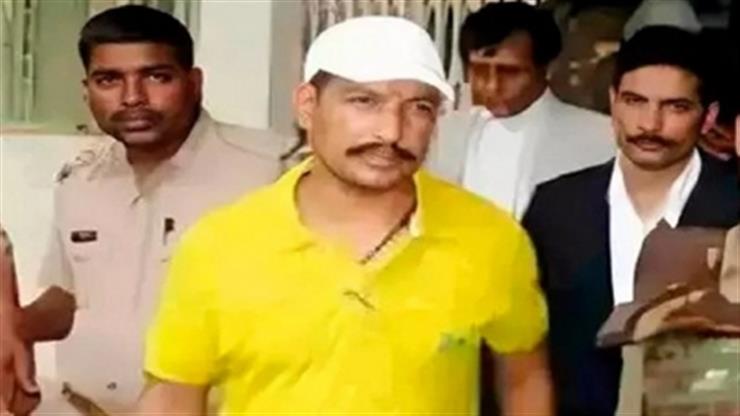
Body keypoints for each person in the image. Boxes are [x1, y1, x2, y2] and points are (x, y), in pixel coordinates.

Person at [139, 16, 553, 415]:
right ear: (307, 106)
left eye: (419, 107)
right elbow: (174, 396)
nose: (391, 131)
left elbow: (524, 376)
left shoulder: (489, 237)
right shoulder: (220, 246)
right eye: (364, 102)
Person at [0, 5, 288, 414]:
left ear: (194, 83)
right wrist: (15, 325)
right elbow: (70, 297)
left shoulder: (272, 172)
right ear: (86, 91)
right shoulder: (80, 180)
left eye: (156, 77)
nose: (133, 98)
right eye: (109, 80)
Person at [522, 26, 740, 416]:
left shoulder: (734, 205)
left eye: (675, 107)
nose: (650, 124)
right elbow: (526, 345)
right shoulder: (557, 207)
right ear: (613, 101)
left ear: (709, 117)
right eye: (635, 102)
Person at [425, 2, 614, 219]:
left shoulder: (599, 138)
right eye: (480, 70)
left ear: (548, 68)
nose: (492, 86)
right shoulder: (442, 134)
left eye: (509, 72)